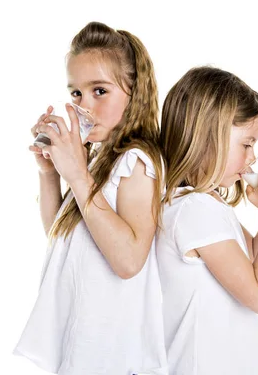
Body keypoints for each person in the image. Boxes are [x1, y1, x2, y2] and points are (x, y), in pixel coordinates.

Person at [14, 21, 167, 375]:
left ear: (135, 92)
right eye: (76, 94)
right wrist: (50, 172)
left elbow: (129, 260)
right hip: (82, 350)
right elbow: (61, 235)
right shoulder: (98, 159)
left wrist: (78, 175)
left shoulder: (137, 162)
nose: (85, 106)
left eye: (100, 91)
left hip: (113, 358)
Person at [157, 66, 258, 374]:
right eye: (247, 143)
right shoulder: (195, 210)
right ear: (207, 137)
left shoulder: (203, 205)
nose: (252, 157)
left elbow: (257, 263)